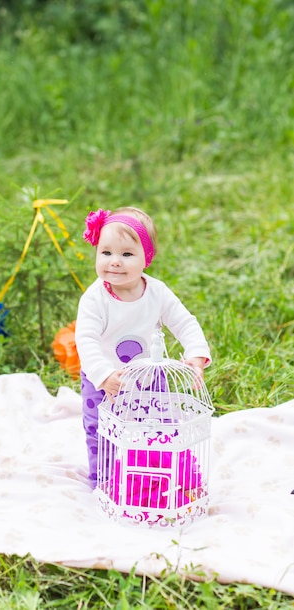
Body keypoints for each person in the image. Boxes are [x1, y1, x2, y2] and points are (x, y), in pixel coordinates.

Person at [75, 206, 211, 488]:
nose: (114, 262)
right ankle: (105, 480)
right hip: (103, 380)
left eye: (126, 254)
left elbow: (184, 322)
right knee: (100, 428)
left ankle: (150, 473)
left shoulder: (157, 292)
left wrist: (196, 355)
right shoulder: (94, 299)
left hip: (149, 378)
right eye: (106, 252)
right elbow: (85, 340)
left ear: (146, 258)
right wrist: (103, 375)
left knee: (155, 425)